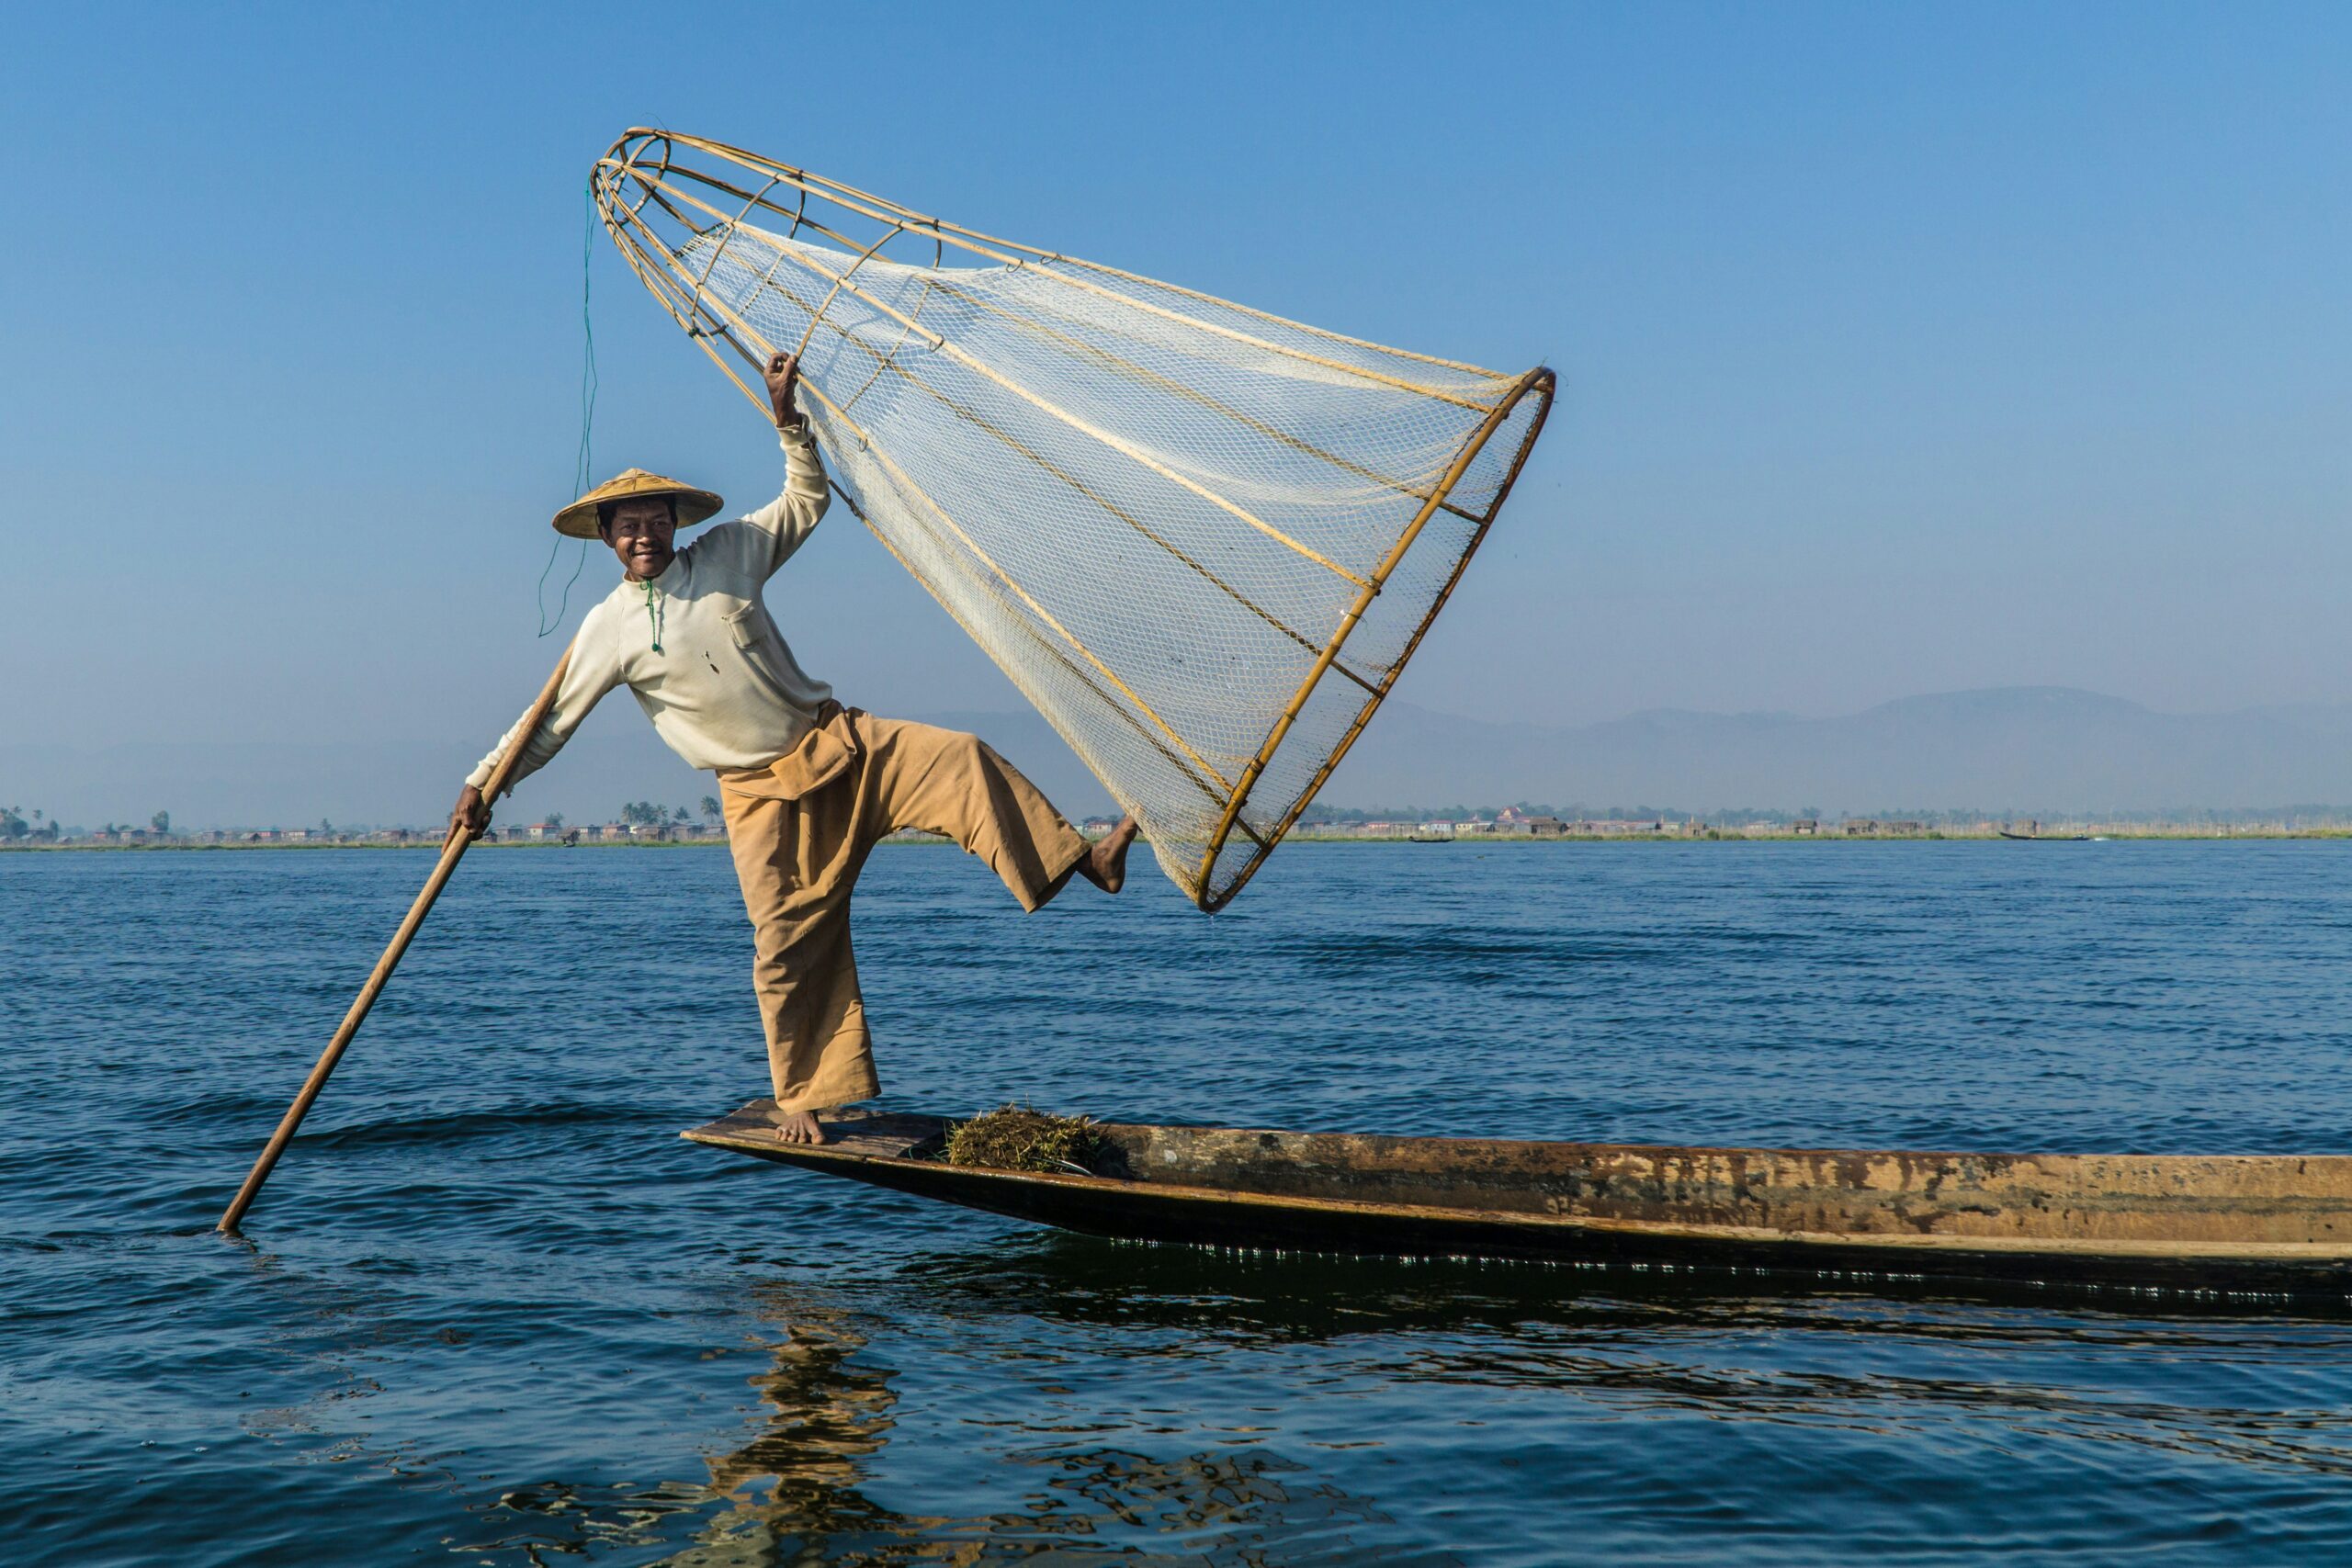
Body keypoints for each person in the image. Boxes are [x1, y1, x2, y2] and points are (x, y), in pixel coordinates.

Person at [453, 351, 1137, 1145]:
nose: (643, 534)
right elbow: (546, 725)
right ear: (607, 538)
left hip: (841, 745)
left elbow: (806, 502)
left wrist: (789, 424)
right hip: (757, 796)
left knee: (963, 757)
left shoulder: (731, 552)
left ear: (677, 524)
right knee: (784, 943)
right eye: (627, 525)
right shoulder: (607, 629)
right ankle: (803, 1095)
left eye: (655, 519)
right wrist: (482, 785)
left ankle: (1085, 860)